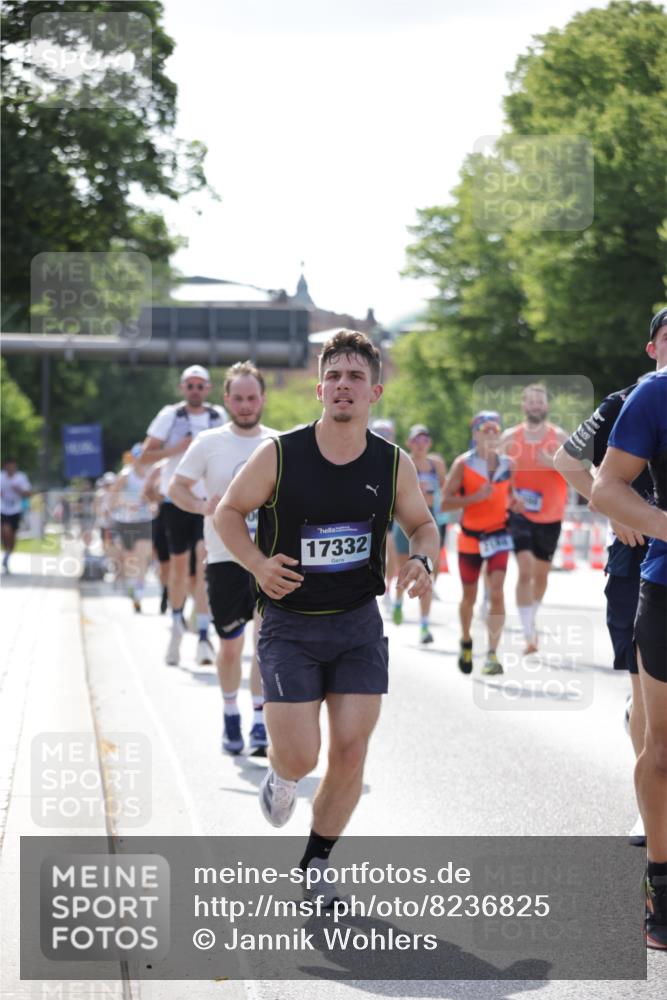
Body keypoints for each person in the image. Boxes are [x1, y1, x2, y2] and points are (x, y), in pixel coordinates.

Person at [214, 330, 439, 897]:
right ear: (319, 389)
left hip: (358, 623)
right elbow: (228, 513)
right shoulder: (281, 455)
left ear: (375, 392)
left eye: (355, 377)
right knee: (300, 754)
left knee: (351, 749)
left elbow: (423, 525)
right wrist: (258, 565)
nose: (344, 385)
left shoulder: (393, 464)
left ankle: (317, 860)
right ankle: (283, 776)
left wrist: (424, 560)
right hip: (290, 624)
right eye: (334, 376)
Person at [554, 337, 664, 847]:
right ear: (650, 346)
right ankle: (651, 809)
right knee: (643, 687)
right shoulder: (625, 400)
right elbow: (565, 459)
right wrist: (611, 506)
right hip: (636, 557)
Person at [591, 309, 667, 951]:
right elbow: (604, 486)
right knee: (662, 748)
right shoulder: (653, 394)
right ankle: (660, 889)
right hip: (664, 586)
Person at [169, 361, 277, 756]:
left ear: (263, 398)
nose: (246, 405)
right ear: (227, 400)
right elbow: (177, 487)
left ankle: (260, 723)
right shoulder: (210, 442)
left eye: (253, 398)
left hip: (267, 560)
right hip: (223, 558)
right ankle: (231, 712)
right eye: (239, 398)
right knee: (230, 647)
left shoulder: (280, 443)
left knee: (265, 644)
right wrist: (202, 507)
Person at [140, 365, 227, 665]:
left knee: (204, 567)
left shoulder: (218, 417)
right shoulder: (170, 416)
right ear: (182, 388)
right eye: (189, 385)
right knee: (179, 569)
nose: (195, 390)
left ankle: (203, 637)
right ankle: (176, 627)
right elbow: (144, 455)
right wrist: (175, 449)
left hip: (209, 502)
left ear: (208, 389)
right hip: (175, 501)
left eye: (200, 385)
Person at [442, 411, 521, 675]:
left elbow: (510, 494)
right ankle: (466, 640)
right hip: (470, 538)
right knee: (470, 596)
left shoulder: (507, 464)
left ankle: (492, 654)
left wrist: (516, 501)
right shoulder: (463, 464)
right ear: (475, 433)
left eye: (495, 430)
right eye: (485, 429)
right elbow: (445, 503)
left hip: (498, 535)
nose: (490, 434)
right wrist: (474, 497)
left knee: (497, 591)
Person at [500, 384, 569, 654]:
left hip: (551, 515)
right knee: (525, 569)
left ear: (546, 406)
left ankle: (531, 615)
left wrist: (554, 462)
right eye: (531, 402)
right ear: (523, 406)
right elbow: (495, 473)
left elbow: (581, 469)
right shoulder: (509, 438)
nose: (535, 406)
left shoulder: (560, 437)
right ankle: (529, 634)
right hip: (518, 512)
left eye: (540, 402)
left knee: (541, 575)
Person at [391, 424, 446, 644]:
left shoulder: (436, 464)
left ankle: (424, 625)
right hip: (404, 522)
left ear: (429, 444)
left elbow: (446, 488)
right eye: (416, 441)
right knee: (404, 571)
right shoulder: (404, 463)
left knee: (426, 573)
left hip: (429, 522)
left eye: (424, 441)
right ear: (409, 443)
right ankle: (397, 602)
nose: (420, 445)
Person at [109, 445, 156, 612]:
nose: (142, 461)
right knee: (129, 559)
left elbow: (155, 496)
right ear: (133, 458)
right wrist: (124, 504)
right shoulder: (125, 475)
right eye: (139, 457)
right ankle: (131, 585)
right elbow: (113, 496)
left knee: (142, 556)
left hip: (143, 520)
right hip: (125, 521)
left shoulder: (152, 474)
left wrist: (152, 505)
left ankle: (139, 592)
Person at [369, 418, 398, 613]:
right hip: (367, 515)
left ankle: (388, 589)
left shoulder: (394, 456)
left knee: (391, 552)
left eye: (386, 433)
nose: (383, 436)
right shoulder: (364, 453)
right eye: (380, 432)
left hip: (389, 514)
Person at [1, 458, 31, 574]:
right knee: (5, 531)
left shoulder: (21, 478)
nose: (11, 469)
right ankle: (6, 549)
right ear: (5, 466)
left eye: (13, 467)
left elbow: (28, 493)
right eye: (9, 466)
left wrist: (18, 490)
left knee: (12, 537)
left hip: (15, 510)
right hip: (2, 509)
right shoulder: (1, 477)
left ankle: (7, 556)